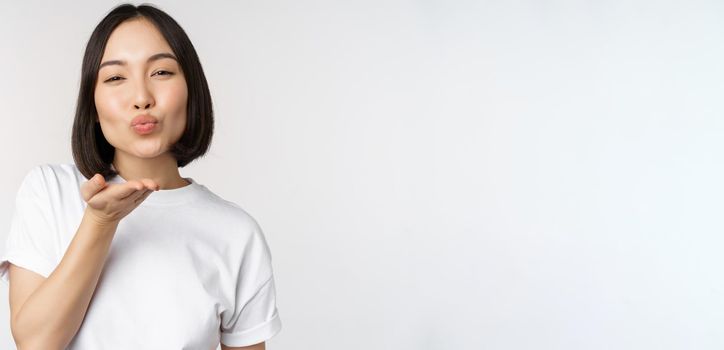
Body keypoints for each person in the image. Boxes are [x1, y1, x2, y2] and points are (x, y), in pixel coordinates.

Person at [0, 4, 281, 349]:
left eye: (161, 72)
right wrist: (100, 222)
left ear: (192, 90)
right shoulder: (49, 190)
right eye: (116, 78)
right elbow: (35, 342)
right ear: (94, 106)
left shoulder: (237, 233)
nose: (142, 98)